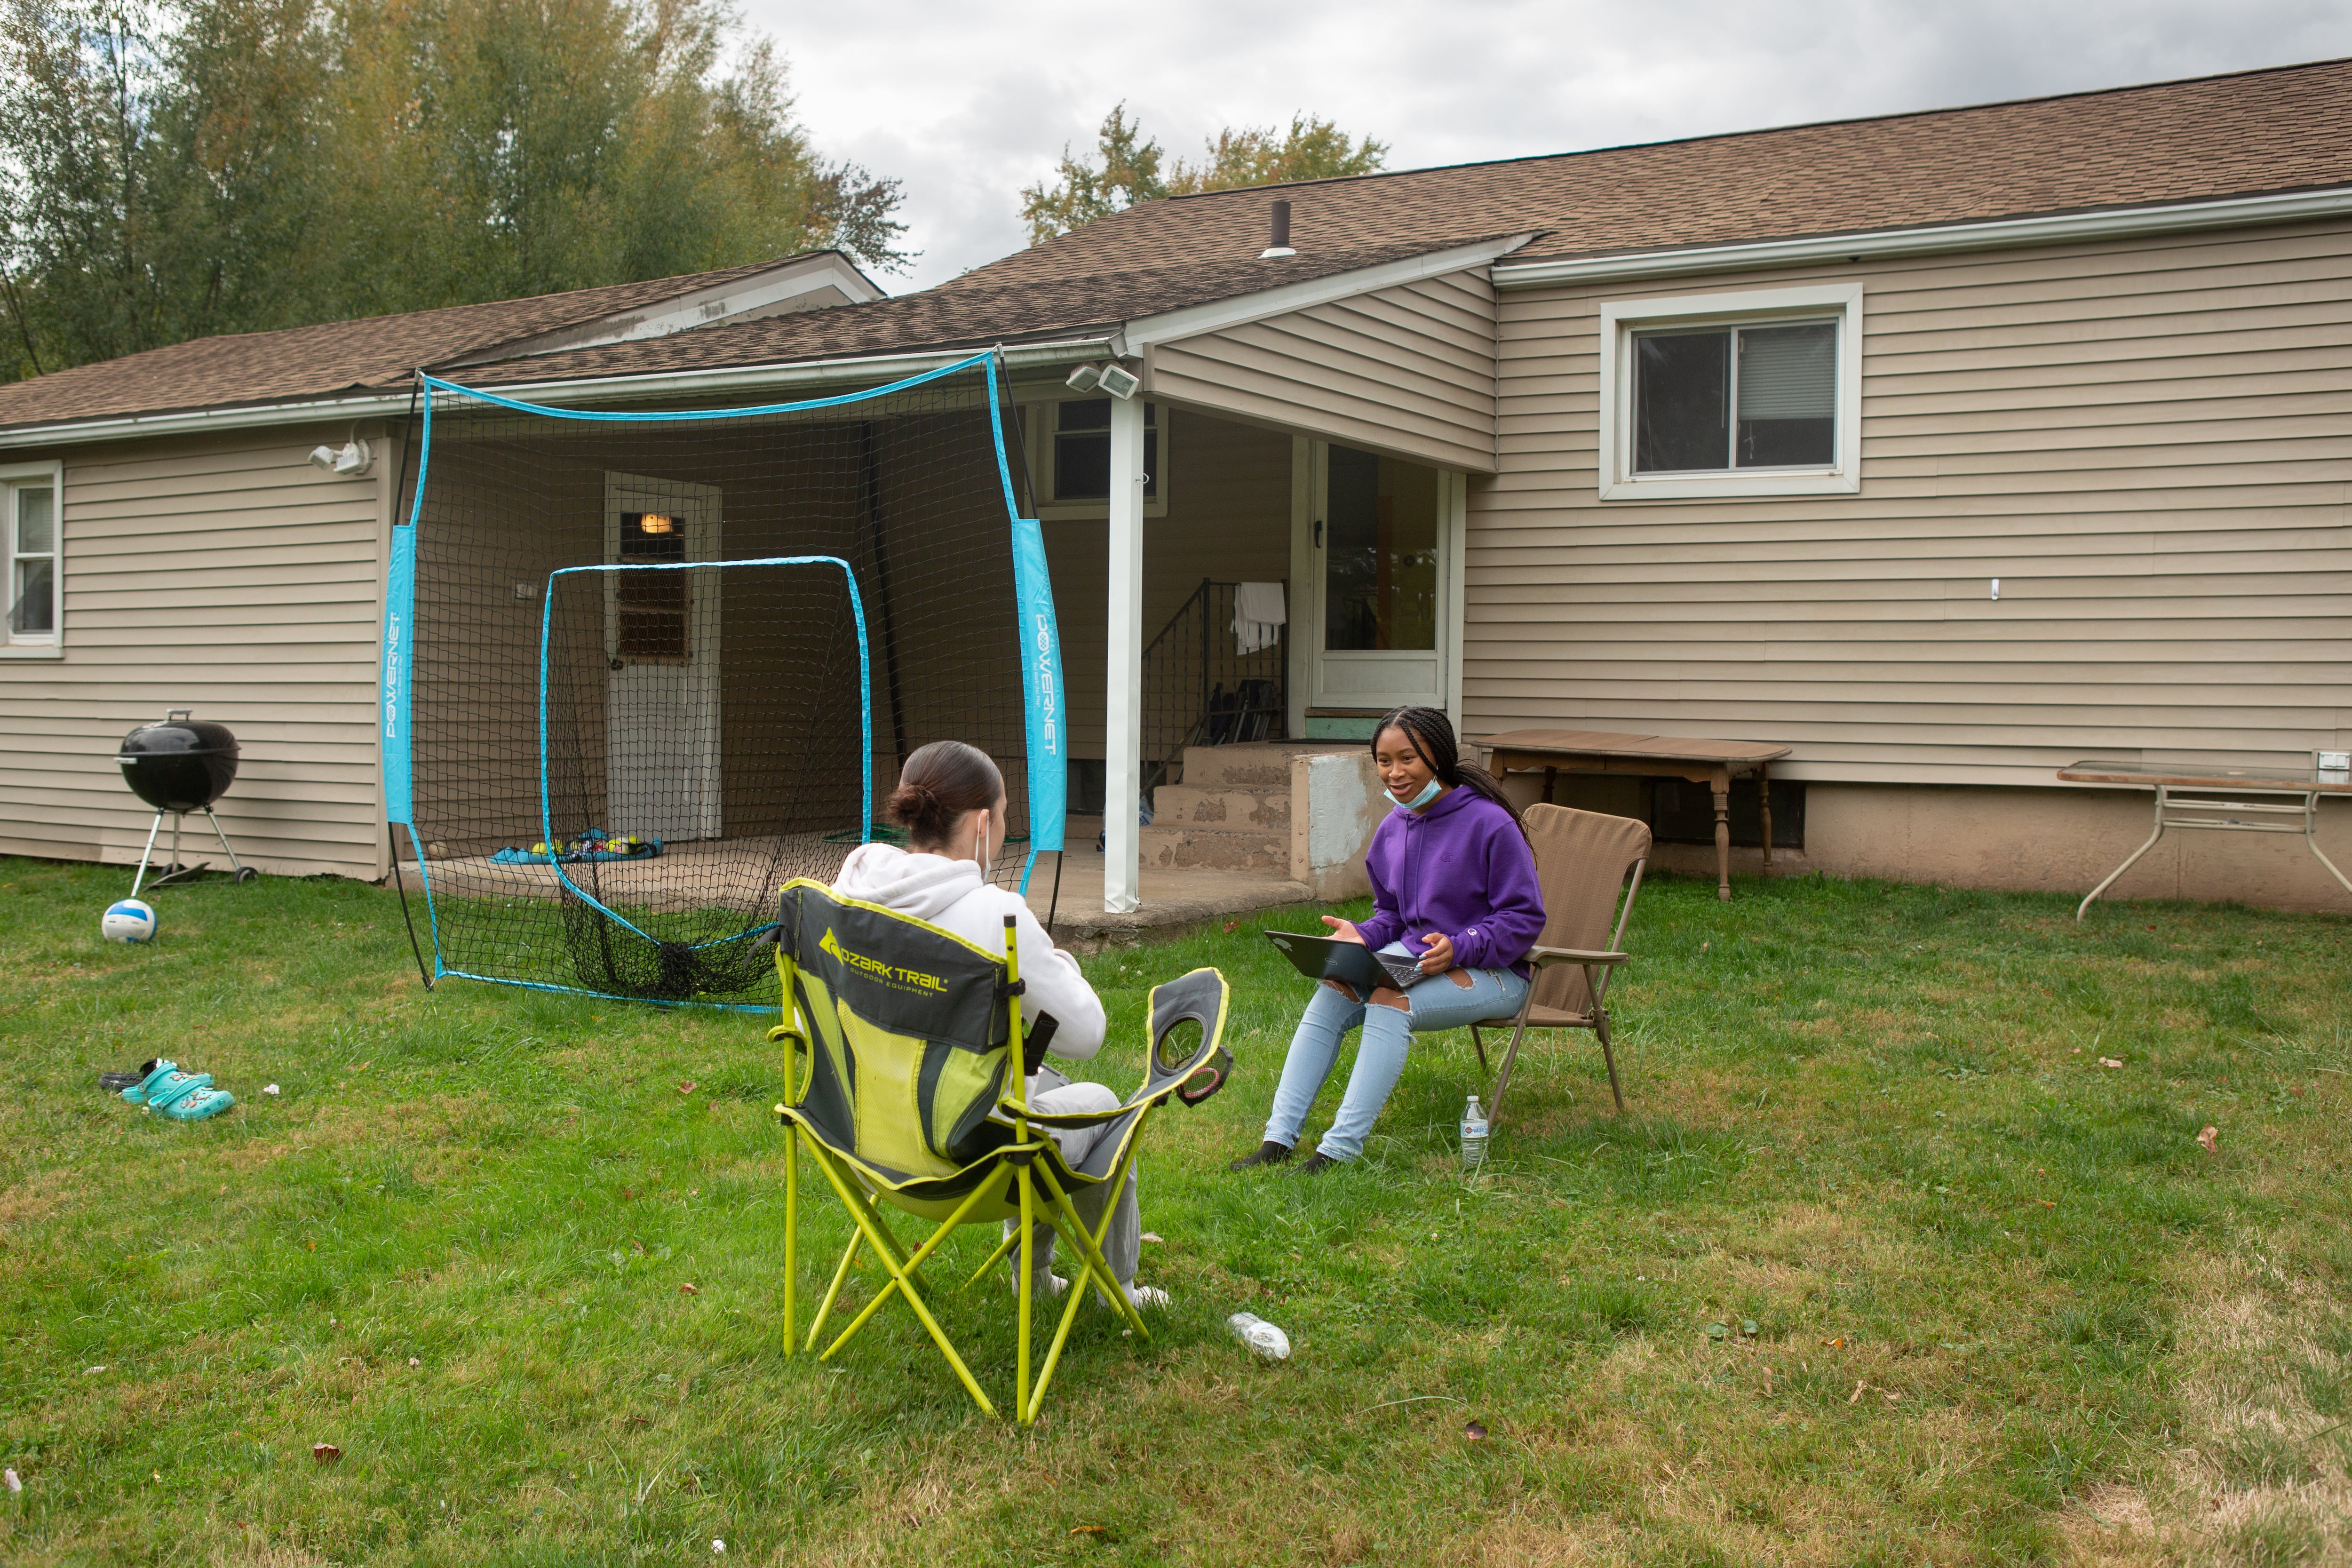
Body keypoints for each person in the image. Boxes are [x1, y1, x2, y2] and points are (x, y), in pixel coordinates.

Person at [830, 740, 1168, 1309]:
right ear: (984, 823)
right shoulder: (997, 917)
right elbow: (1087, 1034)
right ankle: (1115, 1288)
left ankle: (1037, 1280)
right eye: (1006, 815)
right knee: (1105, 1105)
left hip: (862, 1137)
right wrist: (1056, 959)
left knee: (1037, 1084)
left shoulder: (851, 889)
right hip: (968, 1159)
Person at [1232, 706, 1543, 1175]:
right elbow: (1394, 917)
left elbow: (1524, 918)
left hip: (1495, 975)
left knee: (1387, 998)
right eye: (1383, 760)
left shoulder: (1488, 823)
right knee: (1333, 988)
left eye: (1407, 759)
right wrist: (1360, 935)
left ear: (1438, 757)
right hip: (1415, 961)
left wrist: (1461, 946)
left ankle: (1338, 1151)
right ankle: (1278, 1139)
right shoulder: (1394, 828)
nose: (1394, 773)